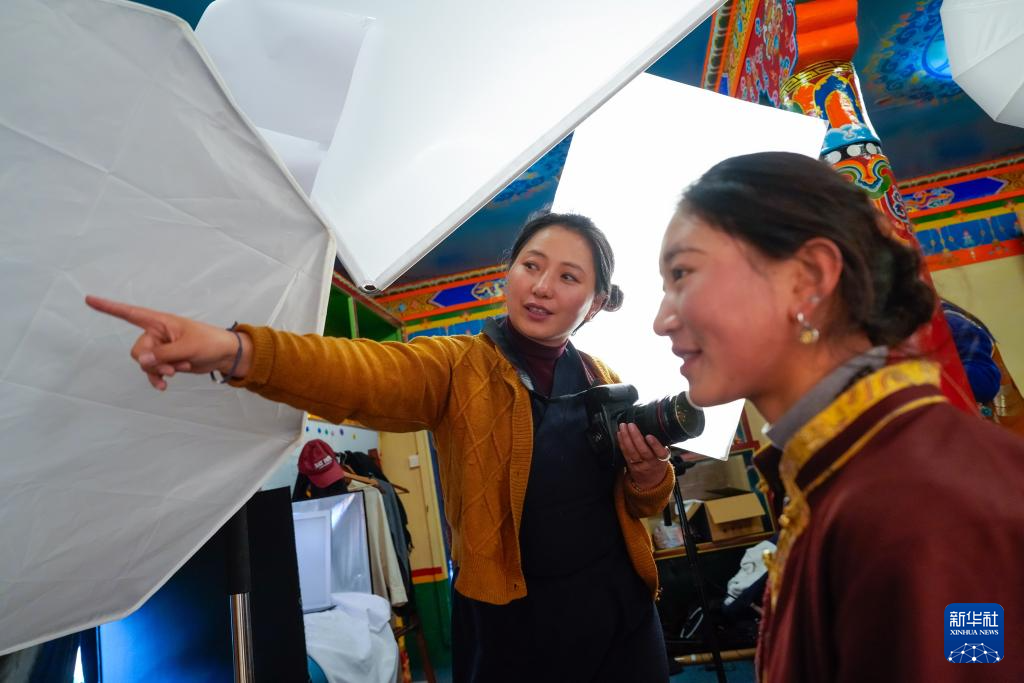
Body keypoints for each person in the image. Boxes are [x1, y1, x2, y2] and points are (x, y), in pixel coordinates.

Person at [87, 212, 676, 683]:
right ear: (509, 273)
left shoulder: (604, 379)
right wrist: (237, 350)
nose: (542, 287)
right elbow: (360, 371)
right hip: (513, 621)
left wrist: (651, 479)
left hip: (618, 609)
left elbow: (637, 504)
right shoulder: (458, 366)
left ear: (593, 303)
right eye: (531, 265)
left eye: (568, 277)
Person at [651, 151, 1024, 682]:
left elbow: (973, 662)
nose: (662, 319)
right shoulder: (842, 469)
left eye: (682, 274)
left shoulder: (927, 501)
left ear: (808, 278)